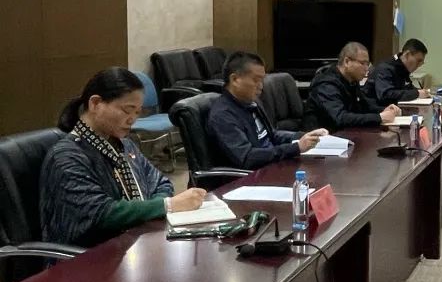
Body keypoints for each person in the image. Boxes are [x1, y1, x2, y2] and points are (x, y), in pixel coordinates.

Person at [40, 68, 207, 247]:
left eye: (137, 113)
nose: (132, 120)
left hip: (133, 243)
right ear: (95, 103)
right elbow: (101, 212)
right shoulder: (66, 156)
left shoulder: (124, 145)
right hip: (87, 255)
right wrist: (166, 205)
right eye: (127, 110)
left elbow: (160, 182)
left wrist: (151, 208)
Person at [207, 51, 327, 170]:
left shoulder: (251, 103)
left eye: (262, 80)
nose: (261, 86)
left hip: (272, 165)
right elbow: (247, 158)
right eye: (256, 80)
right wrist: (296, 148)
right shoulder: (223, 115)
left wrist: (304, 136)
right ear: (234, 79)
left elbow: (271, 135)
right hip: (252, 175)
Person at [302, 42, 401, 131]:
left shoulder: (351, 81)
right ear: (347, 62)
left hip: (344, 134)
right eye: (363, 63)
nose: (366, 69)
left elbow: (363, 107)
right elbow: (340, 118)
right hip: (322, 138)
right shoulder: (326, 84)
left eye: (368, 64)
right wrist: (380, 117)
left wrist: (384, 110)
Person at [364, 38, 431, 107]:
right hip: (374, 110)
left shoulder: (402, 68)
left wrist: (422, 92)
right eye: (418, 61)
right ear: (407, 55)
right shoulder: (385, 68)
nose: (419, 65)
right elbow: (386, 95)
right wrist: (417, 93)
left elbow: (408, 88)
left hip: (391, 109)